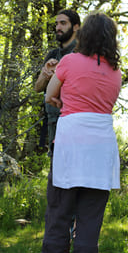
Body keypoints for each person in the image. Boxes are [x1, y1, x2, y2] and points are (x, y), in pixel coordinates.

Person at [29, 11, 122, 253]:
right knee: (90, 220)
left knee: (59, 215)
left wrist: (61, 100)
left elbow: (48, 95)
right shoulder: (115, 71)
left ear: (84, 35)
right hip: (102, 144)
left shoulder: (69, 61)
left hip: (71, 141)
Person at [34, 9, 81, 151]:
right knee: (55, 167)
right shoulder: (53, 54)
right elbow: (37, 88)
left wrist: (60, 75)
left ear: (75, 27)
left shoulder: (82, 54)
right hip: (53, 122)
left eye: (63, 23)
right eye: (57, 24)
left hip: (75, 121)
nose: (58, 28)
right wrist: (45, 74)